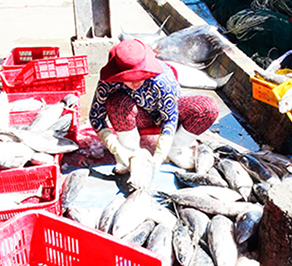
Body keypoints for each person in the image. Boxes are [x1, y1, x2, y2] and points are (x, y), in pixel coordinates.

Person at [89, 39, 219, 174]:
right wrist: (115, 146)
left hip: (168, 115)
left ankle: (175, 148)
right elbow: (95, 116)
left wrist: (161, 153)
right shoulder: (108, 82)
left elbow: (170, 117)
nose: (135, 83)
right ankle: (129, 151)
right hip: (137, 118)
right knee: (117, 102)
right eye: (129, 78)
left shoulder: (162, 79)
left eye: (140, 76)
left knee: (209, 107)